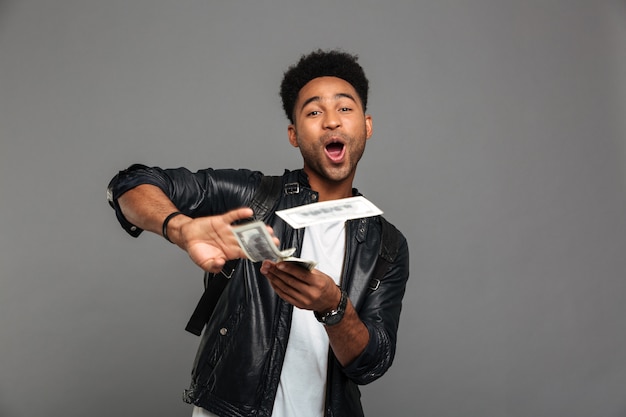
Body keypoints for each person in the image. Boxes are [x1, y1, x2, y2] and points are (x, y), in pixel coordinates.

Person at [107, 49, 410, 417]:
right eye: (314, 112)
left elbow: (371, 362)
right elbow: (131, 184)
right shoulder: (255, 198)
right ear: (294, 134)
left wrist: (334, 307)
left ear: (367, 125)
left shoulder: (387, 245)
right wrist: (181, 228)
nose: (331, 121)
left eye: (344, 109)